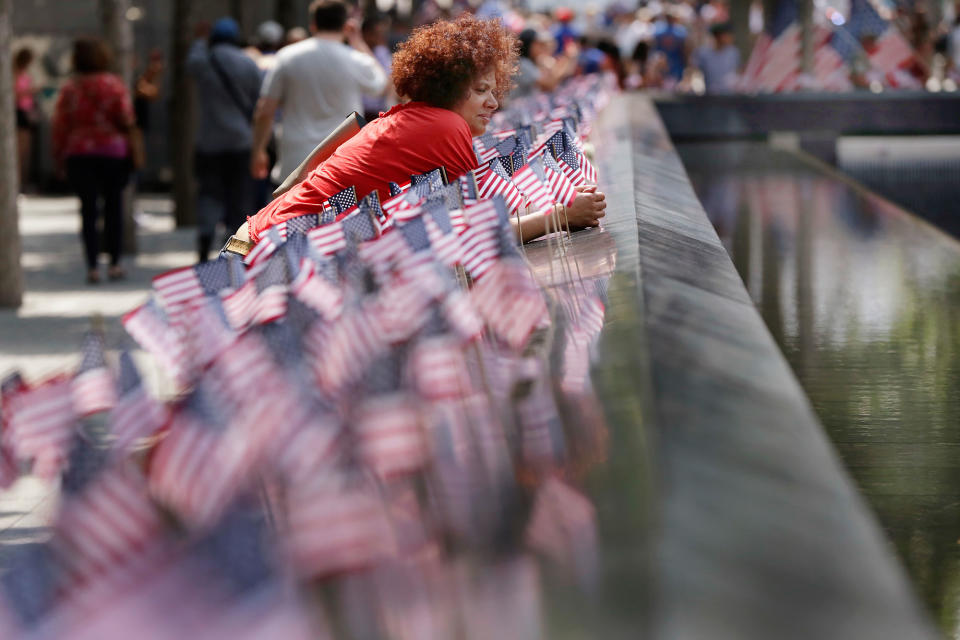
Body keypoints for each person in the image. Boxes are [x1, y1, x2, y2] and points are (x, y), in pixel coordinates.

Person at [243, 15, 606, 246]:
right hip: (273, 255)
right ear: (447, 87)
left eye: (495, 92)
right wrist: (561, 217)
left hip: (266, 243)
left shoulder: (417, 119)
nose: (494, 104)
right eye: (481, 90)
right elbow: (478, 233)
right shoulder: (444, 127)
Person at [250, 0, 388, 186]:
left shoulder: (286, 57)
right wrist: (357, 41)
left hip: (295, 165)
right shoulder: (356, 60)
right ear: (345, 25)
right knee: (338, 215)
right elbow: (381, 84)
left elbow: (265, 110)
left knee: (290, 214)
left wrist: (259, 149)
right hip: (340, 164)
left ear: (313, 24)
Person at [51, 38, 136, 284]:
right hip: (113, 153)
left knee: (88, 210)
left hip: (79, 153)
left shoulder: (70, 88)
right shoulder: (114, 84)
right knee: (113, 208)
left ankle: (92, 267)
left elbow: (60, 126)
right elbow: (126, 116)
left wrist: (58, 158)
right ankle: (115, 264)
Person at [187, 17, 263, 262]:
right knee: (240, 199)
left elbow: (190, 64)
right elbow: (258, 101)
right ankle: (236, 254)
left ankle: (203, 247)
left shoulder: (204, 61)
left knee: (209, 195)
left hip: (209, 143)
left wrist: (199, 40)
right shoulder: (248, 64)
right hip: (241, 141)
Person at [692, 22, 740, 93]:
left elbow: (737, 72)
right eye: (727, 35)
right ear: (718, 36)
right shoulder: (703, 53)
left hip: (730, 96)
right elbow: (694, 73)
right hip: (710, 96)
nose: (731, 38)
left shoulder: (733, 52)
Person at [13, 48, 36, 191]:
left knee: (25, 150)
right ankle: (20, 182)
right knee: (20, 150)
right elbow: (15, 94)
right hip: (19, 111)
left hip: (26, 112)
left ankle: (23, 182)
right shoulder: (14, 74)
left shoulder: (24, 74)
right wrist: (31, 91)